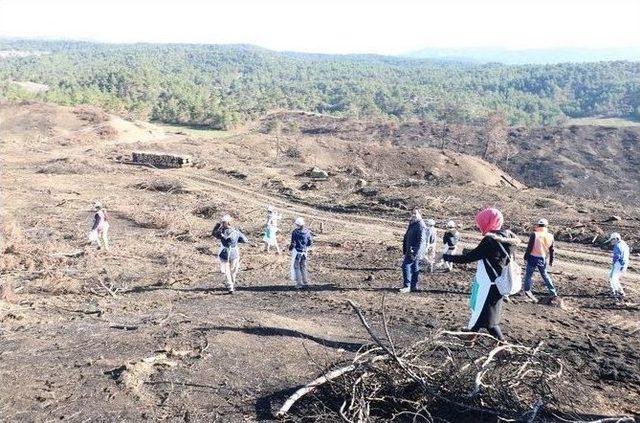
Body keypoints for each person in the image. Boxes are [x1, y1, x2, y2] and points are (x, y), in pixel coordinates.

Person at [442, 208, 520, 341]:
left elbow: (469, 258)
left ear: (487, 222)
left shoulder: (490, 241)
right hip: (500, 282)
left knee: (489, 320)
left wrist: (446, 257)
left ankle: (503, 347)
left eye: (480, 223)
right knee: (484, 315)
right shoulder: (509, 238)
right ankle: (470, 338)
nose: (479, 226)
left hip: (489, 284)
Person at [522, 218, 558, 302]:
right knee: (545, 275)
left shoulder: (534, 234)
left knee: (528, 275)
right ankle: (553, 292)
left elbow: (529, 247)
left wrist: (525, 257)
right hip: (542, 258)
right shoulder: (550, 236)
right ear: (546, 226)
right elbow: (552, 250)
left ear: (538, 225)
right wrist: (551, 261)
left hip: (532, 257)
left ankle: (527, 291)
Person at [212, 214, 248, 294]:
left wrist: (217, 225)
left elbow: (214, 233)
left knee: (227, 271)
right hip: (234, 253)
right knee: (233, 270)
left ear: (224, 223)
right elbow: (245, 240)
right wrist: (236, 241)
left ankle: (230, 286)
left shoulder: (221, 232)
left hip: (224, 253)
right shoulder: (236, 231)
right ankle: (232, 283)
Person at [399, 210, 427, 293]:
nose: (413, 215)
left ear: (420, 214)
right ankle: (413, 286)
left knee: (405, 265)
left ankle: (407, 286)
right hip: (410, 250)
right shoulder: (413, 223)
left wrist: (416, 252)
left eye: (415, 213)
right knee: (415, 267)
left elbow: (421, 241)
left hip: (414, 251)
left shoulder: (420, 225)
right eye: (412, 213)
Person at [289, 217, 313, 289]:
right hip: (304, 252)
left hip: (297, 252)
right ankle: (305, 281)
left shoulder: (295, 232)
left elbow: (293, 243)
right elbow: (310, 242)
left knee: (296, 267)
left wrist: (290, 249)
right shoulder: (308, 232)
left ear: (298, 225)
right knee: (303, 266)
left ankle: (299, 283)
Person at [607, 232, 630, 299]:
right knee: (613, 277)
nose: (611, 241)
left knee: (612, 277)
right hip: (624, 264)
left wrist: (614, 263)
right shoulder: (624, 244)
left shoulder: (617, 246)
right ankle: (615, 291)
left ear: (616, 239)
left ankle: (619, 292)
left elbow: (617, 256)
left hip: (619, 264)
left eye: (612, 240)